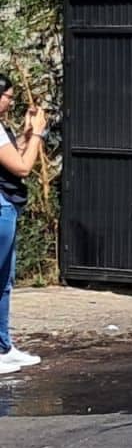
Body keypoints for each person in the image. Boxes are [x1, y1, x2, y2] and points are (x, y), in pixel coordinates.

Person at [0, 75, 46, 374]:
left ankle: (3, 347)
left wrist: (28, 134)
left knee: (5, 281)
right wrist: (39, 135)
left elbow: (13, 154)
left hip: (7, 206)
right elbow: (22, 167)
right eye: (7, 96)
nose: (11, 102)